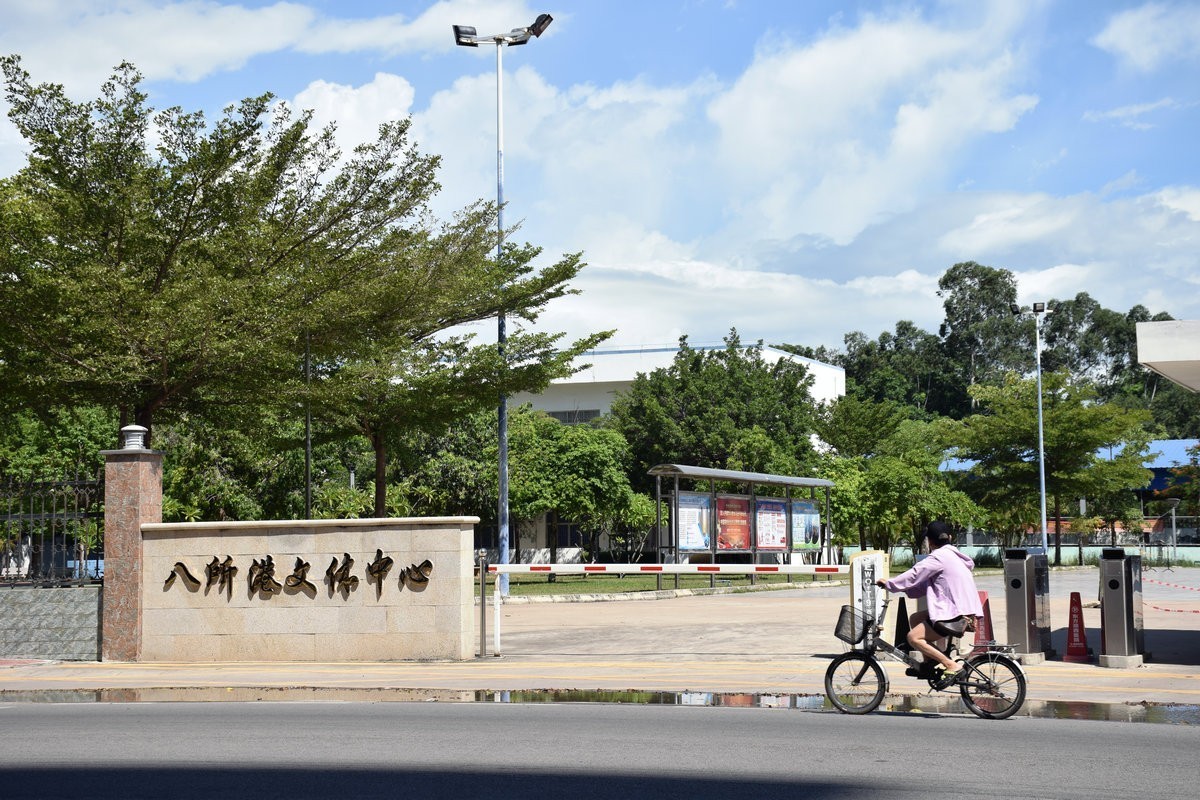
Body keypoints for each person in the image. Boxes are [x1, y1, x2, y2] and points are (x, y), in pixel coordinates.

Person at [875, 521, 983, 689]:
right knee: (916, 618)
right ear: (950, 538)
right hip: (966, 613)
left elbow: (915, 574)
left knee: (913, 637)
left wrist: (890, 584)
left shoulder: (938, 557)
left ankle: (950, 665)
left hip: (954, 615)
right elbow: (924, 584)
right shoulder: (955, 556)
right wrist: (904, 589)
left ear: (930, 542)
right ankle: (929, 663)